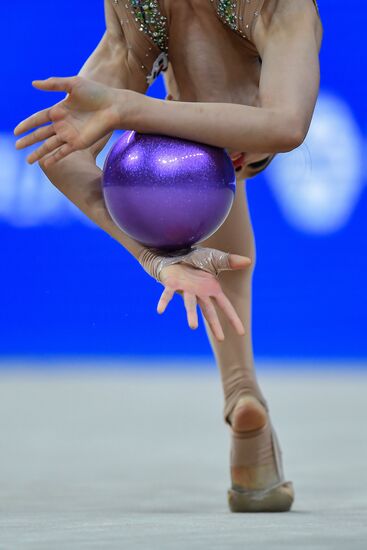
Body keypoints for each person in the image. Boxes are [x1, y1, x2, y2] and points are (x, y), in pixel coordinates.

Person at [13, 0, 323, 512]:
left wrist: (129, 108)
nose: (238, 162)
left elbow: (59, 148)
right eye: (239, 157)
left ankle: (241, 393)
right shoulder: (276, 9)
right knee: (220, 178)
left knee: (216, 182)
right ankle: (243, 398)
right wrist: (155, 256)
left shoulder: (143, 16)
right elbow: (285, 124)